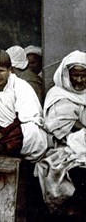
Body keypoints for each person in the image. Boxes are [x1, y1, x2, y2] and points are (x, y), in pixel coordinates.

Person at [36, 50, 86, 218]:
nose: (79, 80)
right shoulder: (57, 96)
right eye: (75, 75)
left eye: (83, 76)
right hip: (62, 147)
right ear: (66, 75)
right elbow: (60, 130)